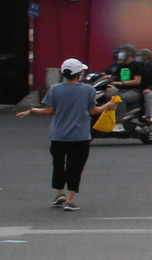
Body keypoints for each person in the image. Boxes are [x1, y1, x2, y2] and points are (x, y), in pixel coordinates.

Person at [18, 58, 104, 209]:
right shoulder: (88, 90)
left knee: (58, 164)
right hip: (80, 136)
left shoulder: (55, 89)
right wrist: (108, 106)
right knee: (75, 167)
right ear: (79, 74)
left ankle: (60, 193)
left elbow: (48, 111)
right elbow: (93, 111)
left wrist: (32, 110)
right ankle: (70, 200)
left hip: (58, 135)